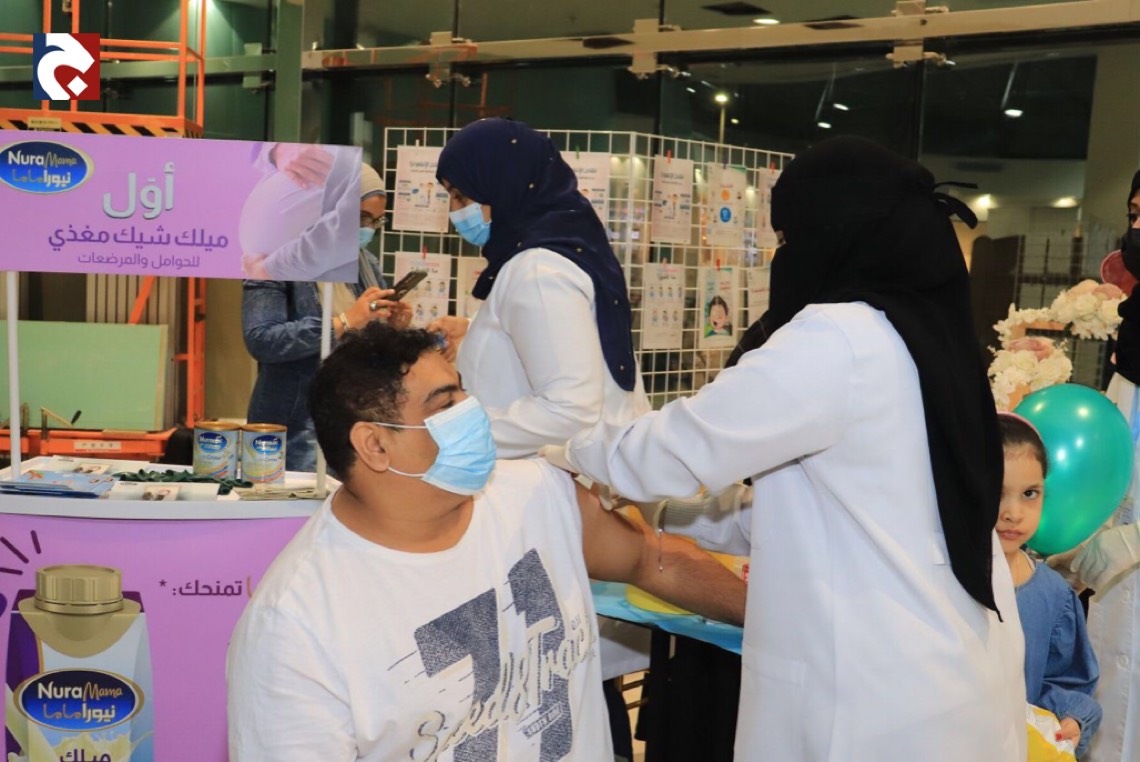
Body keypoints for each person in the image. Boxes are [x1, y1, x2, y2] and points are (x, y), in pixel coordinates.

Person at [544, 136, 1027, 760]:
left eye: (789, 238)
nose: (784, 257)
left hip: (871, 693)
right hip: (954, 671)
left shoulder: (838, 337)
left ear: (834, 234)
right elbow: (835, 507)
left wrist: (561, 449)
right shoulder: (927, 338)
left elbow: (675, 450)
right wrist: (664, 513)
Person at [225, 323, 746, 761]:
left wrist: (774, 620)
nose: (472, 412)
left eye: (464, 392)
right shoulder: (295, 626)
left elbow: (652, 560)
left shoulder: (536, 493)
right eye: (446, 404)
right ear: (375, 445)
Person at [427, 118, 654, 753]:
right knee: (570, 683)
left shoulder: (534, 269)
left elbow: (569, 409)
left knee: (555, 693)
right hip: (572, 500)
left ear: (504, 185)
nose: (455, 212)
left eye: (462, 195)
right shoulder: (559, 249)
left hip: (550, 506)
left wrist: (452, 433)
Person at [242, 164, 409, 473]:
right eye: (361, 217)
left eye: (376, 221)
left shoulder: (365, 262)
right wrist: (343, 322)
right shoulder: (272, 259)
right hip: (291, 429)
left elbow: (367, 346)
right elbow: (262, 339)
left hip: (350, 423)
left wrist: (392, 330)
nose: (368, 229)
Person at [1070, 170, 1140, 762]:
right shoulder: (1131, 353)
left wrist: (1131, 543)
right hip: (1118, 609)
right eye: (1136, 215)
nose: (1138, 230)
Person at [997, 412, 1101, 758]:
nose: (1013, 513)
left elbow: (1062, 679)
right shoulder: (940, 583)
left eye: (1030, 493)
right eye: (997, 492)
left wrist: (1070, 717)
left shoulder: (1052, 595)